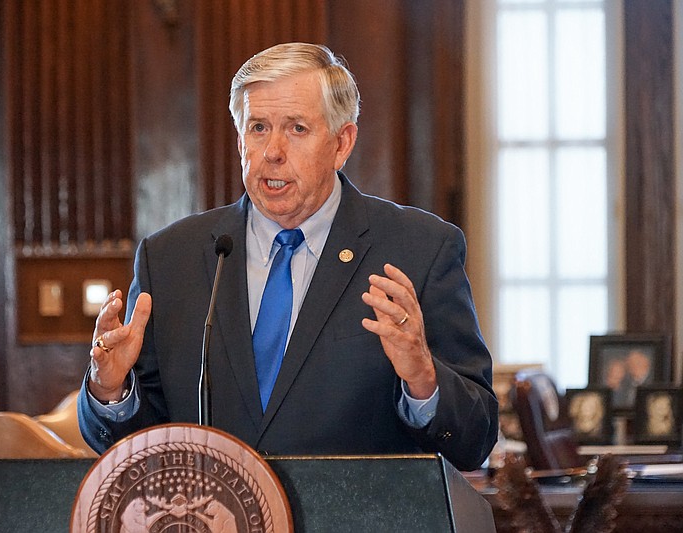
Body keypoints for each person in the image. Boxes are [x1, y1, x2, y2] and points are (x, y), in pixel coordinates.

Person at [78, 42, 498, 471]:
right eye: (258, 127)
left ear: (342, 143)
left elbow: (475, 438)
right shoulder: (171, 258)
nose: (273, 151)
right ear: (240, 140)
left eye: (297, 128)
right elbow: (138, 444)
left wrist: (424, 379)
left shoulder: (420, 248)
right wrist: (111, 391)